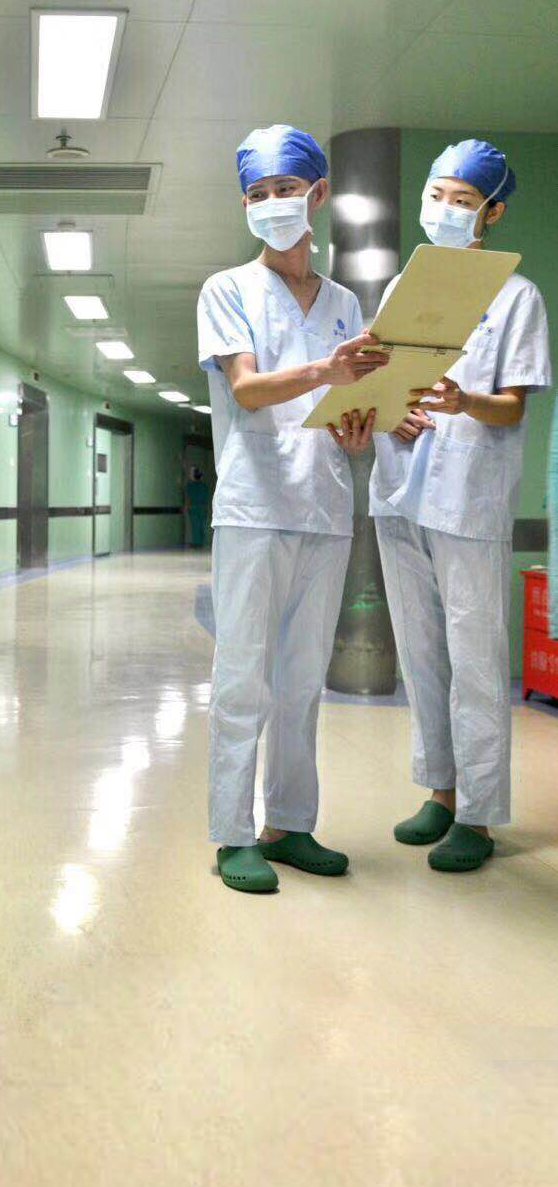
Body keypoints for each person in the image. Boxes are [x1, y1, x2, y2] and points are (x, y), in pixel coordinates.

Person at [197, 124, 387, 894]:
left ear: (318, 195)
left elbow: (343, 406)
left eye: (286, 189)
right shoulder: (227, 289)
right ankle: (232, 834)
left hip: (325, 508)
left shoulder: (344, 303)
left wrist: (359, 426)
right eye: (258, 193)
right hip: (253, 507)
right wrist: (324, 373)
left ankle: (290, 823)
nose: (273, 203)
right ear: (246, 205)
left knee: (303, 680)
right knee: (244, 677)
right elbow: (247, 389)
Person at [372, 140, 552, 872]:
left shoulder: (517, 296)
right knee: (421, 655)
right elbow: (379, 382)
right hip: (401, 494)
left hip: (468, 500)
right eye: (437, 195)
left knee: (474, 659)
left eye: (463, 200)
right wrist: (390, 413)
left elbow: (512, 407)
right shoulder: (401, 288)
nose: (445, 210)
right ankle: (440, 793)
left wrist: (463, 400)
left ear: (493, 213)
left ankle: (477, 814)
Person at [184, 466, 211, 549]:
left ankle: (197, 543)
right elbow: (207, 498)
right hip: (203, 508)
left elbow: (188, 499)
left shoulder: (189, 486)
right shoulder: (204, 487)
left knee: (195, 526)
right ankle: (202, 543)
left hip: (194, 508)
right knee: (202, 526)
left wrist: (186, 507)